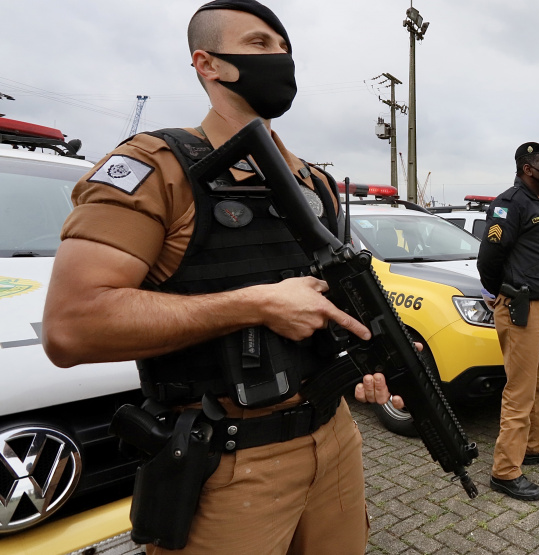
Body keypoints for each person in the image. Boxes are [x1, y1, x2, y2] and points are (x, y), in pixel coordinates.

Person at [41, 2, 401, 553]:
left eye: (284, 48)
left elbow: (326, 301)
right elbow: (72, 327)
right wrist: (252, 304)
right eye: (259, 45)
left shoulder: (316, 182)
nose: (279, 58)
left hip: (335, 441)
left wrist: (359, 364)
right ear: (208, 64)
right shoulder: (157, 167)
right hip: (227, 463)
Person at [477, 141, 539, 502]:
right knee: (520, 392)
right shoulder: (510, 203)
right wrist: (502, 291)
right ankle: (505, 471)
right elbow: (490, 256)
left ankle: (535, 445)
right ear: (528, 168)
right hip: (523, 308)